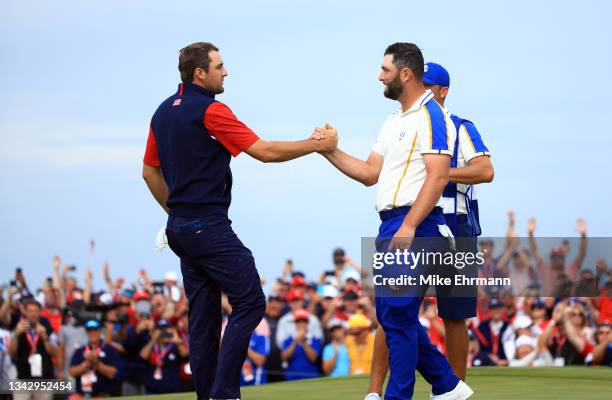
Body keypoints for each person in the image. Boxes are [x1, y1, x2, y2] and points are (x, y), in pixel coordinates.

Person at [141, 42, 337, 400]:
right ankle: (224, 393)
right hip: (207, 225)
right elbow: (264, 152)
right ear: (200, 72)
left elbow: (149, 173)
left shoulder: (162, 112)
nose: (225, 71)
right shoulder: (211, 111)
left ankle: (208, 395)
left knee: (202, 320)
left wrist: (176, 212)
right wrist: (315, 145)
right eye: (219, 65)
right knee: (250, 302)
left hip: (181, 228)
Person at [314, 42, 471, 400]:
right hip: (392, 222)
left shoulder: (433, 115)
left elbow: (438, 176)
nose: (379, 76)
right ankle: (447, 385)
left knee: (397, 314)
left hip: (417, 223)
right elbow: (370, 173)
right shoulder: (393, 119)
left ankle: (398, 396)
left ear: (405, 73)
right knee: (391, 313)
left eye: (384, 70)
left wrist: (410, 225)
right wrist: (330, 151)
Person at [69, 320, 123, 398]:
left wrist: (96, 363)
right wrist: (86, 364)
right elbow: (71, 372)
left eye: (95, 330)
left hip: (102, 395)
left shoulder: (110, 350)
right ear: (86, 332)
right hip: (81, 394)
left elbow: (113, 373)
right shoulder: (80, 351)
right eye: (90, 331)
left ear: (100, 331)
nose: (92, 333)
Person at [139, 319, 188, 394]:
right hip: (152, 389)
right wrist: (153, 339)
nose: (164, 332)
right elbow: (143, 357)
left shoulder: (175, 346)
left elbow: (186, 356)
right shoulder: (150, 344)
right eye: (161, 330)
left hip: (172, 389)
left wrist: (176, 341)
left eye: (166, 330)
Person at [281, 309, 321, 381]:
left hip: (311, 379)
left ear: (307, 323)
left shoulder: (315, 339)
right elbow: (284, 357)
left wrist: (304, 342)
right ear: (295, 324)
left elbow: (313, 358)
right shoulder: (288, 340)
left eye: (304, 321)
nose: (301, 323)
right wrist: (295, 341)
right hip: (292, 379)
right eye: (298, 321)